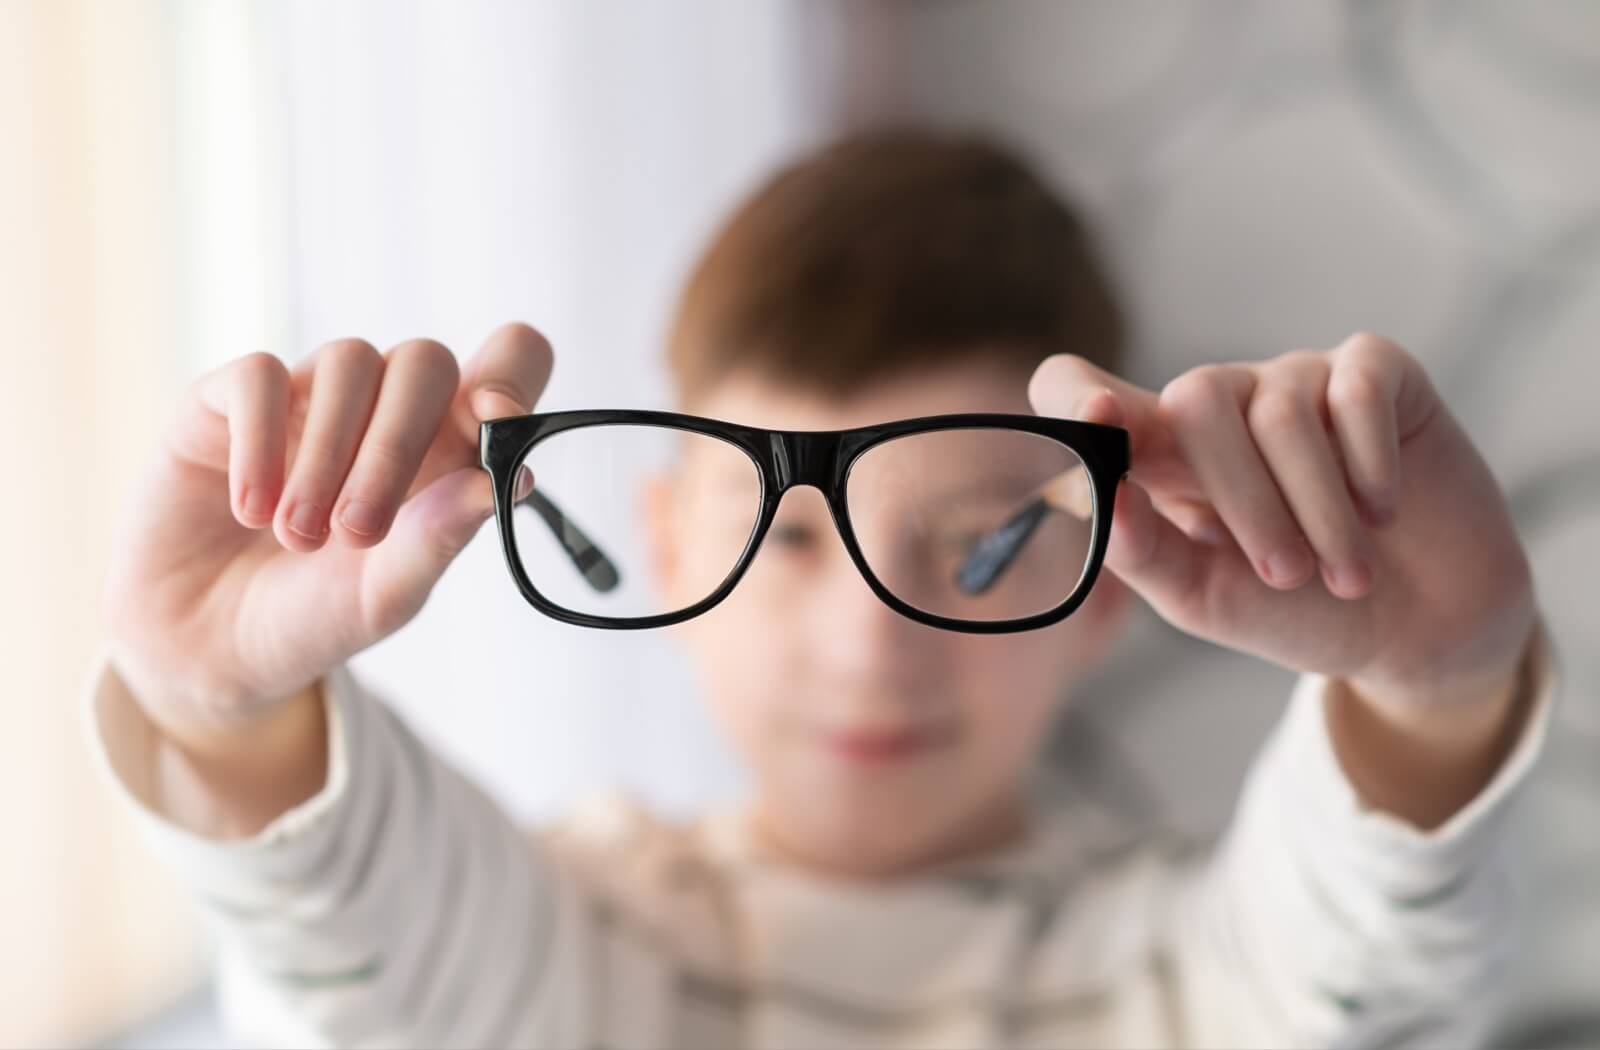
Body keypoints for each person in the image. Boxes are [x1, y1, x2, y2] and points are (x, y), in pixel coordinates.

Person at [92, 130, 1556, 1048]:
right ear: (665, 544)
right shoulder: (582, 934)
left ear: (1105, 583)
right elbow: (362, 947)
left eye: (978, 545)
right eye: (786, 541)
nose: (871, 645)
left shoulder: (1184, 973)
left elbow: (1368, 970)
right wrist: (220, 713)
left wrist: (1435, 691)